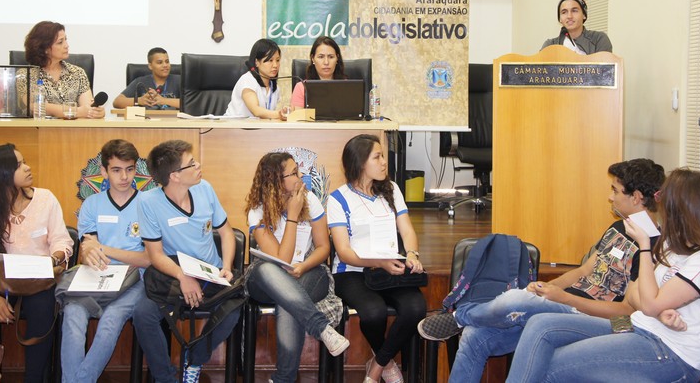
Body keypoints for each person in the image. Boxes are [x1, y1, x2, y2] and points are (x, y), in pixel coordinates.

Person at [418, 159, 665, 383]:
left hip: (596, 318)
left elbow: (627, 312)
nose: (611, 198)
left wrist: (563, 298)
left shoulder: (651, 246)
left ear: (636, 197)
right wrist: (548, 288)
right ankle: (466, 320)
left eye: (615, 191)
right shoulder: (618, 227)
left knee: (517, 298)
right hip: (566, 304)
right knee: (474, 336)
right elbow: (583, 272)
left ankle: (460, 317)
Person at [506, 168, 700, 383]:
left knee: (551, 366)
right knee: (541, 325)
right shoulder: (672, 244)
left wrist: (645, 248)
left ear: (678, 209)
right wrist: (655, 308)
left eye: (662, 198)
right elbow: (634, 294)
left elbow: (649, 303)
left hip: (670, 351)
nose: (659, 204)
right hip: (636, 326)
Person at [60, 139, 176, 383]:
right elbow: (87, 248)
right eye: (116, 170)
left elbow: (148, 259)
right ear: (103, 171)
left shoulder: (149, 204)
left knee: (111, 321)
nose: (124, 177)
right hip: (94, 279)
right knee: (72, 316)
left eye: (130, 169)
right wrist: (90, 251)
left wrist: (103, 248)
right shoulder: (91, 204)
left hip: (134, 282)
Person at [0, 143, 73, 383]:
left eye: (24, 162)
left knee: (42, 310)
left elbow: (62, 241)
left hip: (39, 279)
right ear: (0, 175)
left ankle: (34, 378)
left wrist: (54, 258)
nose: (28, 168)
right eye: (19, 165)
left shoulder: (45, 199)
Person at [138, 140, 240, 383]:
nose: (198, 165)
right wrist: (183, 276)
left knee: (234, 309)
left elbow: (226, 233)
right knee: (143, 315)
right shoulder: (148, 202)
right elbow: (155, 255)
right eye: (191, 163)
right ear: (174, 176)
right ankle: (165, 378)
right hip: (174, 275)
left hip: (209, 272)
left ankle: (194, 359)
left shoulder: (204, 188)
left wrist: (226, 266)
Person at [327, 134, 426, 383]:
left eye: (383, 156)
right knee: (373, 313)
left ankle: (378, 364)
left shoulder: (391, 189)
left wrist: (412, 254)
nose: (384, 162)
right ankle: (388, 361)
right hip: (352, 271)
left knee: (416, 307)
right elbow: (343, 251)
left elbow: (407, 231)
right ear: (361, 163)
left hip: (389, 268)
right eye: (377, 157)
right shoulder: (338, 199)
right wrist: (378, 263)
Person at [244, 152, 349, 382]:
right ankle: (321, 327)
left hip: (309, 271)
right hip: (268, 278)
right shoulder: (257, 210)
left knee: (289, 301)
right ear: (275, 181)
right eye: (294, 173)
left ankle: (283, 379)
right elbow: (281, 257)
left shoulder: (310, 200)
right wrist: (292, 215)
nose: (300, 176)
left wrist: (303, 266)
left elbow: (323, 248)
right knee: (266, 270)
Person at [23, 21, 104, 119]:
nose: (66, 45)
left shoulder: (77, 73)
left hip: (73, 132)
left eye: (66, 40)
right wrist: (76, 111)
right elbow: (35, 106)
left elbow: (87, 109)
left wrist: (95, 112)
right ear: (45, 48)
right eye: (60, 42)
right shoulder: (26, 75)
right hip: (39, 131)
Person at [225, 38, 288, 120]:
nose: (275, 65)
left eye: (278, 60)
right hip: (232, 127)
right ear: (256, 62)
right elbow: (256, 111)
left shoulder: (274, 88)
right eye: (270, 60)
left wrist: (285, 111)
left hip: (257, 130)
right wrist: (279, 114)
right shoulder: (247, 80)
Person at [540, 0, 612, 54]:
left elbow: (604, 70)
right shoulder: (550, 45)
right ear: (560, 19)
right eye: (564, 12)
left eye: (574, 11)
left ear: (584, 15)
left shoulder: (599, 39)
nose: (569, 16)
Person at [113, 47, 182, 110]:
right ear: (150, 66)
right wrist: (139, 100)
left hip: (173, 121)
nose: (165, 65)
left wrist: (164, 100)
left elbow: (191, 104)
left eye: (167, 61)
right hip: (147, 121)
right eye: (160, 62)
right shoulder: (140, 82)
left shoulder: (179, 80)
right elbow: (117, 102)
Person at [290, 36, 347, 109]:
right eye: (321, 57)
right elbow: (297, 118)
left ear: (337, 58)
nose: (326, 62)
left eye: (331, 57)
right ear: (313, 59)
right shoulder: (302, 88)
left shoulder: (347, 87)